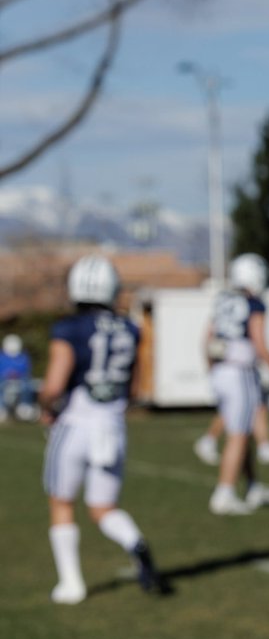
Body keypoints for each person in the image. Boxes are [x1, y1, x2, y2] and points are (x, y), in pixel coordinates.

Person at [38, 255, 172, 604]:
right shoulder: (129, 328)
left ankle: (71, 584)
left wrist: (46, 408)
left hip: (74, 425)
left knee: (61, 502)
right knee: (103, 508)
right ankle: (134, 543)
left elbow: (53, 386)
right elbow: (134, 387)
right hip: (111, 425)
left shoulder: (69, 328)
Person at [203, 253, 269, 515]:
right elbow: (259, 342)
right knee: (238, 434)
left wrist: (211, 371)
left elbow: (207, 337)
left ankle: (252, 486)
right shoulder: (254, 303)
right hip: (240, 373)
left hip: (220, 370)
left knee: (244, 431)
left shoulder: (223, 299)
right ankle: (224, 493)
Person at [1, 332, 37, 421]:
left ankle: (25, 407)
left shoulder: (23, 357)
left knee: (26, 385)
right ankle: (2, 408)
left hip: (20, 380)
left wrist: (16, 374)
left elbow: (26, 372)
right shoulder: (1, 357)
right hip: (4, 380)